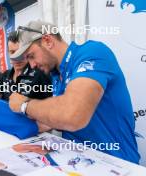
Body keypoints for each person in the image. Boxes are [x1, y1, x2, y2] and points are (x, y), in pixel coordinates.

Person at [8, 20, 140, 163]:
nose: (32, 65)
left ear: (47, 41)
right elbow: (57, 119)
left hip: (116, 163)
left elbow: (72, 115)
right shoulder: (56, 75)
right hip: (78, 161)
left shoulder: (92, 52)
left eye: (31, 56)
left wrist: (25, 105)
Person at [0, 31, 53, 101]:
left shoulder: (40, 73)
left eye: (20, 52)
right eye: (12, 52)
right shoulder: (6, 75)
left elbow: (52, 105)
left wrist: (26, 105)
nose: (17, 57)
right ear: (8, 53)